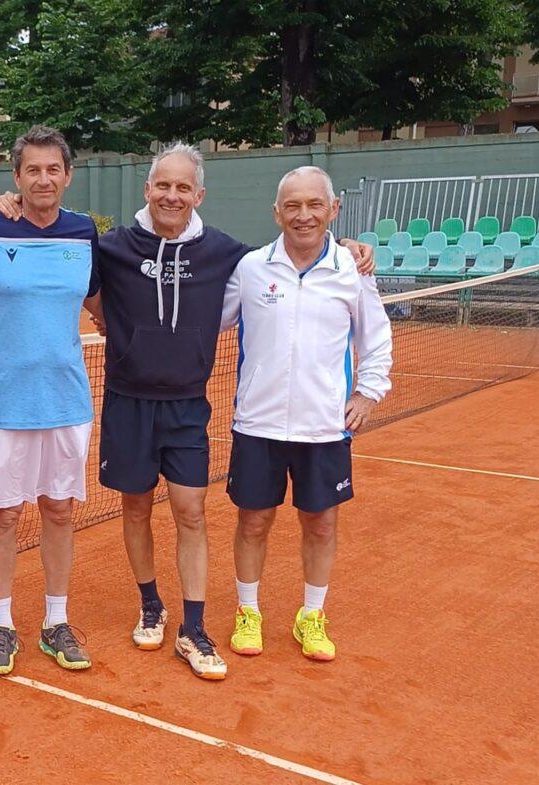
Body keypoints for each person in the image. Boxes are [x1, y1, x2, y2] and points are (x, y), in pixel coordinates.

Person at [0, 144, 374, 681]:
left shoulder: (228, 255)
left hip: (189, 408)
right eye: (162, 186)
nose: (172, 196)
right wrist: (12, 206)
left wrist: (348, 247)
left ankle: (193, 627)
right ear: (147, 189)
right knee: (136, 509)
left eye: (183, 188)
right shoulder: (112, 247)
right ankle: (151, 604)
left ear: (199, 195)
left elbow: (291, 250)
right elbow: (58, 252)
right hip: (127, 402)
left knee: (191, 512)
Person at [221, 166, 392, 662]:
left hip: (325, 427)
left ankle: (310, 616)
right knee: (253, 522)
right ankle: (248, 611)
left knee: (320, 523)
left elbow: (376, 340)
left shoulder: (353, 271)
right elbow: (206, 320)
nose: (304, 215)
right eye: (292, 205)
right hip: (257, 424)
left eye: (314, 204)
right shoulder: (251, 268)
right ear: (276, 212)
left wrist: (366, 395)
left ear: (333, 209)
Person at [0, 126, 101, 676]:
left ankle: (56, 622)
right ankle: (2, 625)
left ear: (67, 175)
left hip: (67, 402)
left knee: (58, 510)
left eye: (52, 169)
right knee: (5, 515)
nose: (42, 179)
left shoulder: (84, 233)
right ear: (16, 177)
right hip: (5, 406)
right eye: (31, 170)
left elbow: (104, 303)